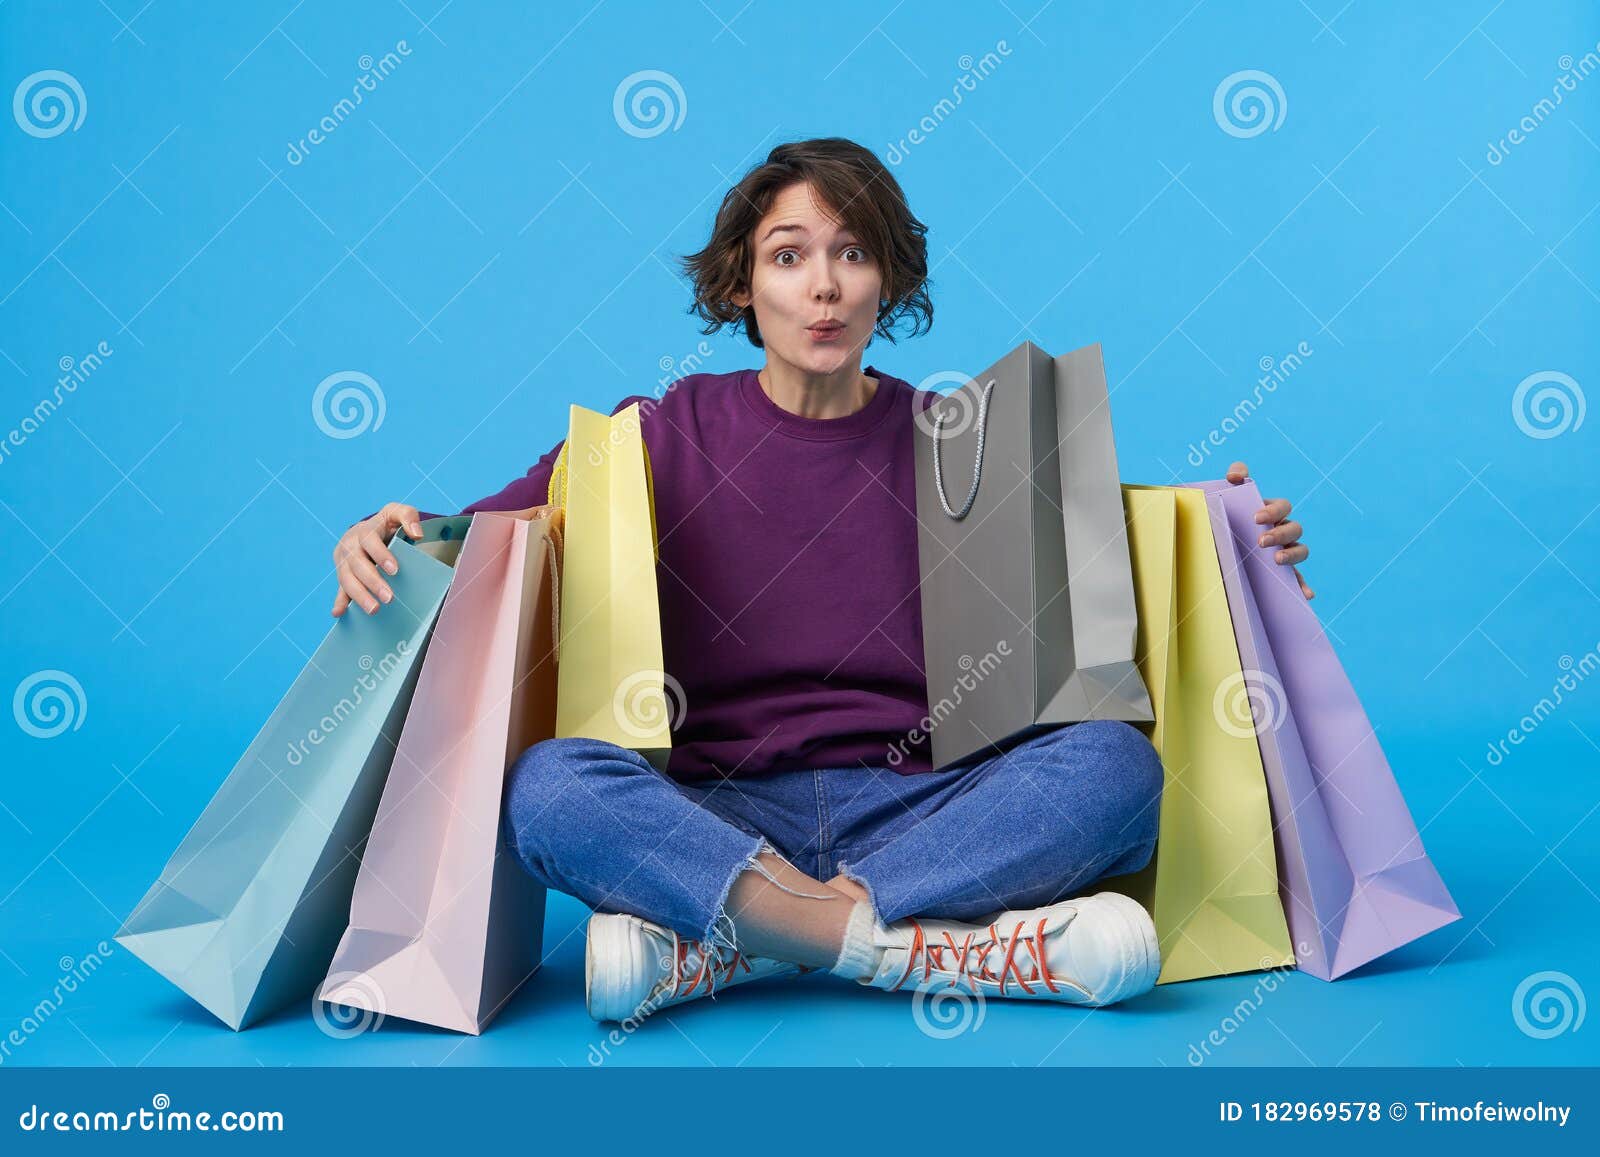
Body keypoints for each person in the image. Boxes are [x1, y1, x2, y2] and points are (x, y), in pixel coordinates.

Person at [330, 138, 1313, 1025]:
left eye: (852, 253)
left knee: (1113, 767)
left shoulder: (966, 442)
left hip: (923, 804)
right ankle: (931, 948)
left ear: (888, 279)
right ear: (742, 283)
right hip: (716, 805)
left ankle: (738, 946)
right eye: (789, 255)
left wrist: (1236, 556)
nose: (824, 288)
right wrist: (397, 534)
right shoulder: (654, 432)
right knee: (550, 788)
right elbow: (483, 542)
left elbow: (1128, 575)